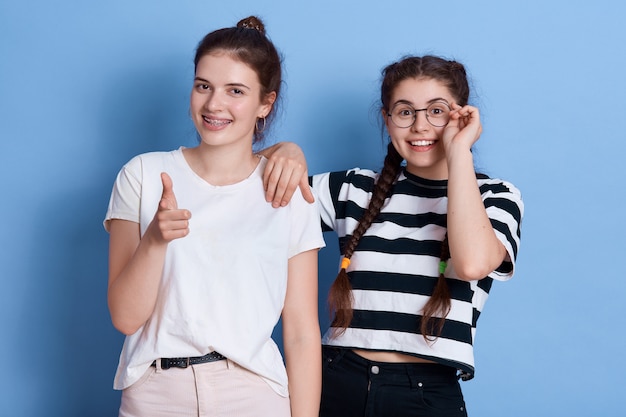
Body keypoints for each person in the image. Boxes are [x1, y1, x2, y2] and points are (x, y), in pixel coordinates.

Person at [261, 55, 524, 417]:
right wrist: (284, 151)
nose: (419, 126)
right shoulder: (352, 189)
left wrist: (459, 150)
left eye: (436, 111)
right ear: (387, 120)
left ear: (461, 116)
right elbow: (240, 187)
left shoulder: (496, 196)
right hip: (335, 380)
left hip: (426, 394)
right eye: (405, 112)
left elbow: (471, 263)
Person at [103, 16, 324, 417]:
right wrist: (155, 240)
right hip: (155, 394)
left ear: (265, 103)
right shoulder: (143, 174)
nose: (213, 104)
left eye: (235, 91)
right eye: (203, 85)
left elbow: (302, 333)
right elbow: (124, 317)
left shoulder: (289, 191)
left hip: (254, 394)